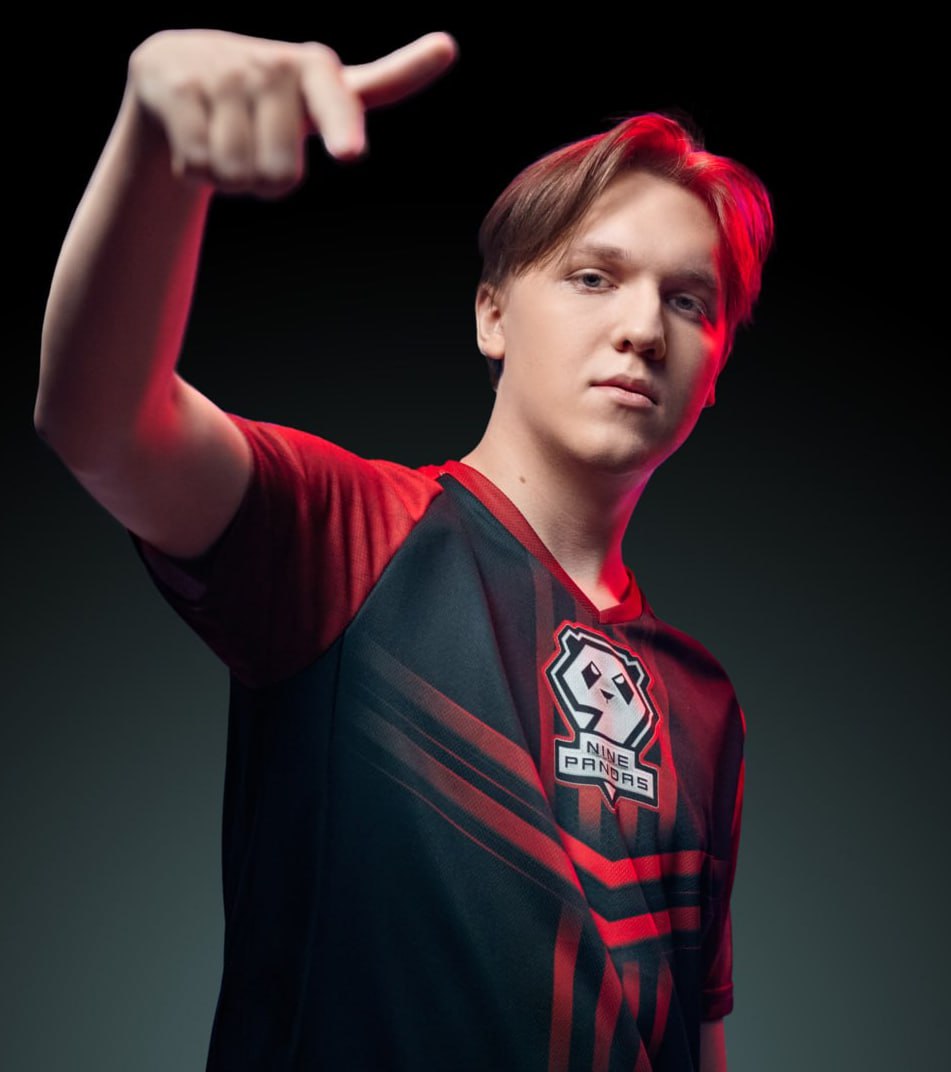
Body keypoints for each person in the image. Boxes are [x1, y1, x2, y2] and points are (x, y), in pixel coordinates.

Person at [35, 27, 773, 1072]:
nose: (644, 328)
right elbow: (101, 420)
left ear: (717, 367)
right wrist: (155, 146)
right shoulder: (353, 533)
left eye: (689, 300)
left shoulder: (706, 705)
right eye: (593, 277)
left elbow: (697, 1040)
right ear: (492, 315)